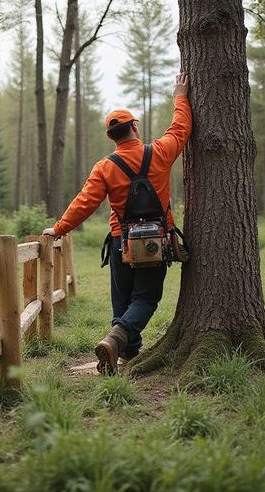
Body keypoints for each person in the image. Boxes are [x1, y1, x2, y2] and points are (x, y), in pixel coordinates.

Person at [42, 72, 192, 375]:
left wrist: (58, 229)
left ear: (111, 137)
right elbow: (180, 129)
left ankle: (119, 354)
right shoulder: (160, 152)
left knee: (122, 301)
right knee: (146, 298)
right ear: (134, 128)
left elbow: (84, 203)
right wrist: (180, 96)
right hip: (155, 242)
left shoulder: (105, 167)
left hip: (120, 241)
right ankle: (118, 345)